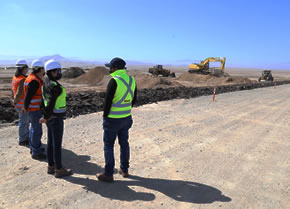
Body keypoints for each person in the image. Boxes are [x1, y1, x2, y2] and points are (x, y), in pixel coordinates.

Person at [97, 57, 137, 182]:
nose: (109, 69)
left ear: (115, 68)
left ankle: (108, 174)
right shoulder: (132, 80)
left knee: (108, 145)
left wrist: (105, 117)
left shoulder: (114, 81)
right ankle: (124, 170)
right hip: (126, 118)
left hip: (113, 119)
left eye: (110, 67)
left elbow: (107, 102)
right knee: (124, 143)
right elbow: (133, 100)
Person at [39, 59, 72, 178]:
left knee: (50, 143)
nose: (60, 73)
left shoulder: (45, 83)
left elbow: (43, 101)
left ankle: (51, 166)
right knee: (57, 145)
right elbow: (52, 103)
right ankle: (59, 169)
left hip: (50, 118)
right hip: (56, 118)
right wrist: (46, 117)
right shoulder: (55, 87)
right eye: (58, 71)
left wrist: (44, 115)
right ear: (52, 72)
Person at [23, 59, 46, 160]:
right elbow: (28, 96)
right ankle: (36, 152)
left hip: (33, 109)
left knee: (34, 129)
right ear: (40, 69)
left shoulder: (30, 78)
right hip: (35, 109)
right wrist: (25, 106)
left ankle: (34, 148)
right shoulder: (34, 81)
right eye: (43, 69)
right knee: (36, 130)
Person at [11, 59, 29, 146]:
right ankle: (22, 139)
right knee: (24, 122)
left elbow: (13, 90)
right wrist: (14, 101)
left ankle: (25, 137)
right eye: (26, 67)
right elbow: (19, 93)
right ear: (22, 68)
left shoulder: (15, 77)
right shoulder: (22, 79)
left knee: (23, 121)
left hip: (18, 104)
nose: (27, 69)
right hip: (21, 105)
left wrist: (13, 100)